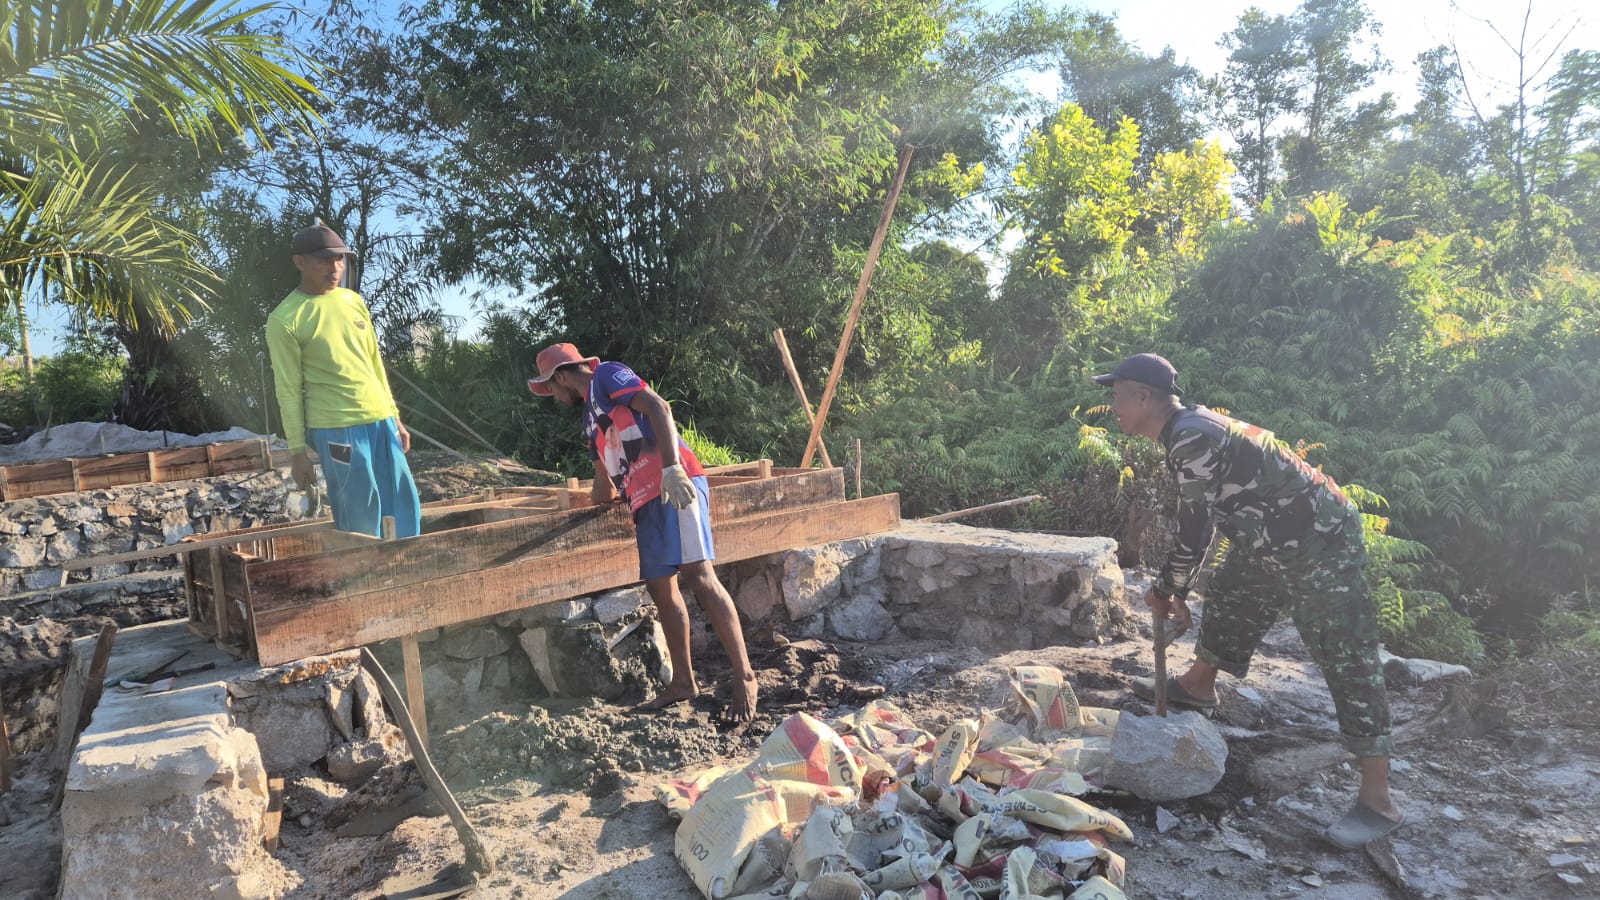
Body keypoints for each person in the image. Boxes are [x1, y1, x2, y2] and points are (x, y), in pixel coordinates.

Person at [1095, 352, 1403, 849]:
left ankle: (1378, 802)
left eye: (1117, 397)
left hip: (1319, 544)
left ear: (1145, 397)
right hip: (1269, 538)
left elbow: (1194, 531)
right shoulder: (1187, 430)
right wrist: (1178, 588)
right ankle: (1197, 686)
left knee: (1347, 659)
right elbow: (1215, 516)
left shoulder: (1192, 435)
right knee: (1235, 592)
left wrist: (1167, 589)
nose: (1113, 408)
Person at [527, 343, 759, 723]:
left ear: (563, 375)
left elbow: (658, 407)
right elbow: (603, 483)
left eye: (550, 387)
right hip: (643, 499)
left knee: (699, 576)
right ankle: (684, 682)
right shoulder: (589, 421)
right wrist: (575, 516)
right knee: (660, 588)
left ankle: (745, 676)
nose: (552, 395)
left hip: (674, 484)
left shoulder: (607, 376)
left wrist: (671, 468)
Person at [265, 223, 421, 539]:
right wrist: (297, 451)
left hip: (380, 420)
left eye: (340, 260)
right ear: (299, 262)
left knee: (403, 502)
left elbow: (373, 363)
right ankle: (360, 581)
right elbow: (288, 389)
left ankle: (406, 576)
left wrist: (395, 418)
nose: (335, 268)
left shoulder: (352, 301)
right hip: (336, 427)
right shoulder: (285, 319)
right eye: (324, 260)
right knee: (360, 512)